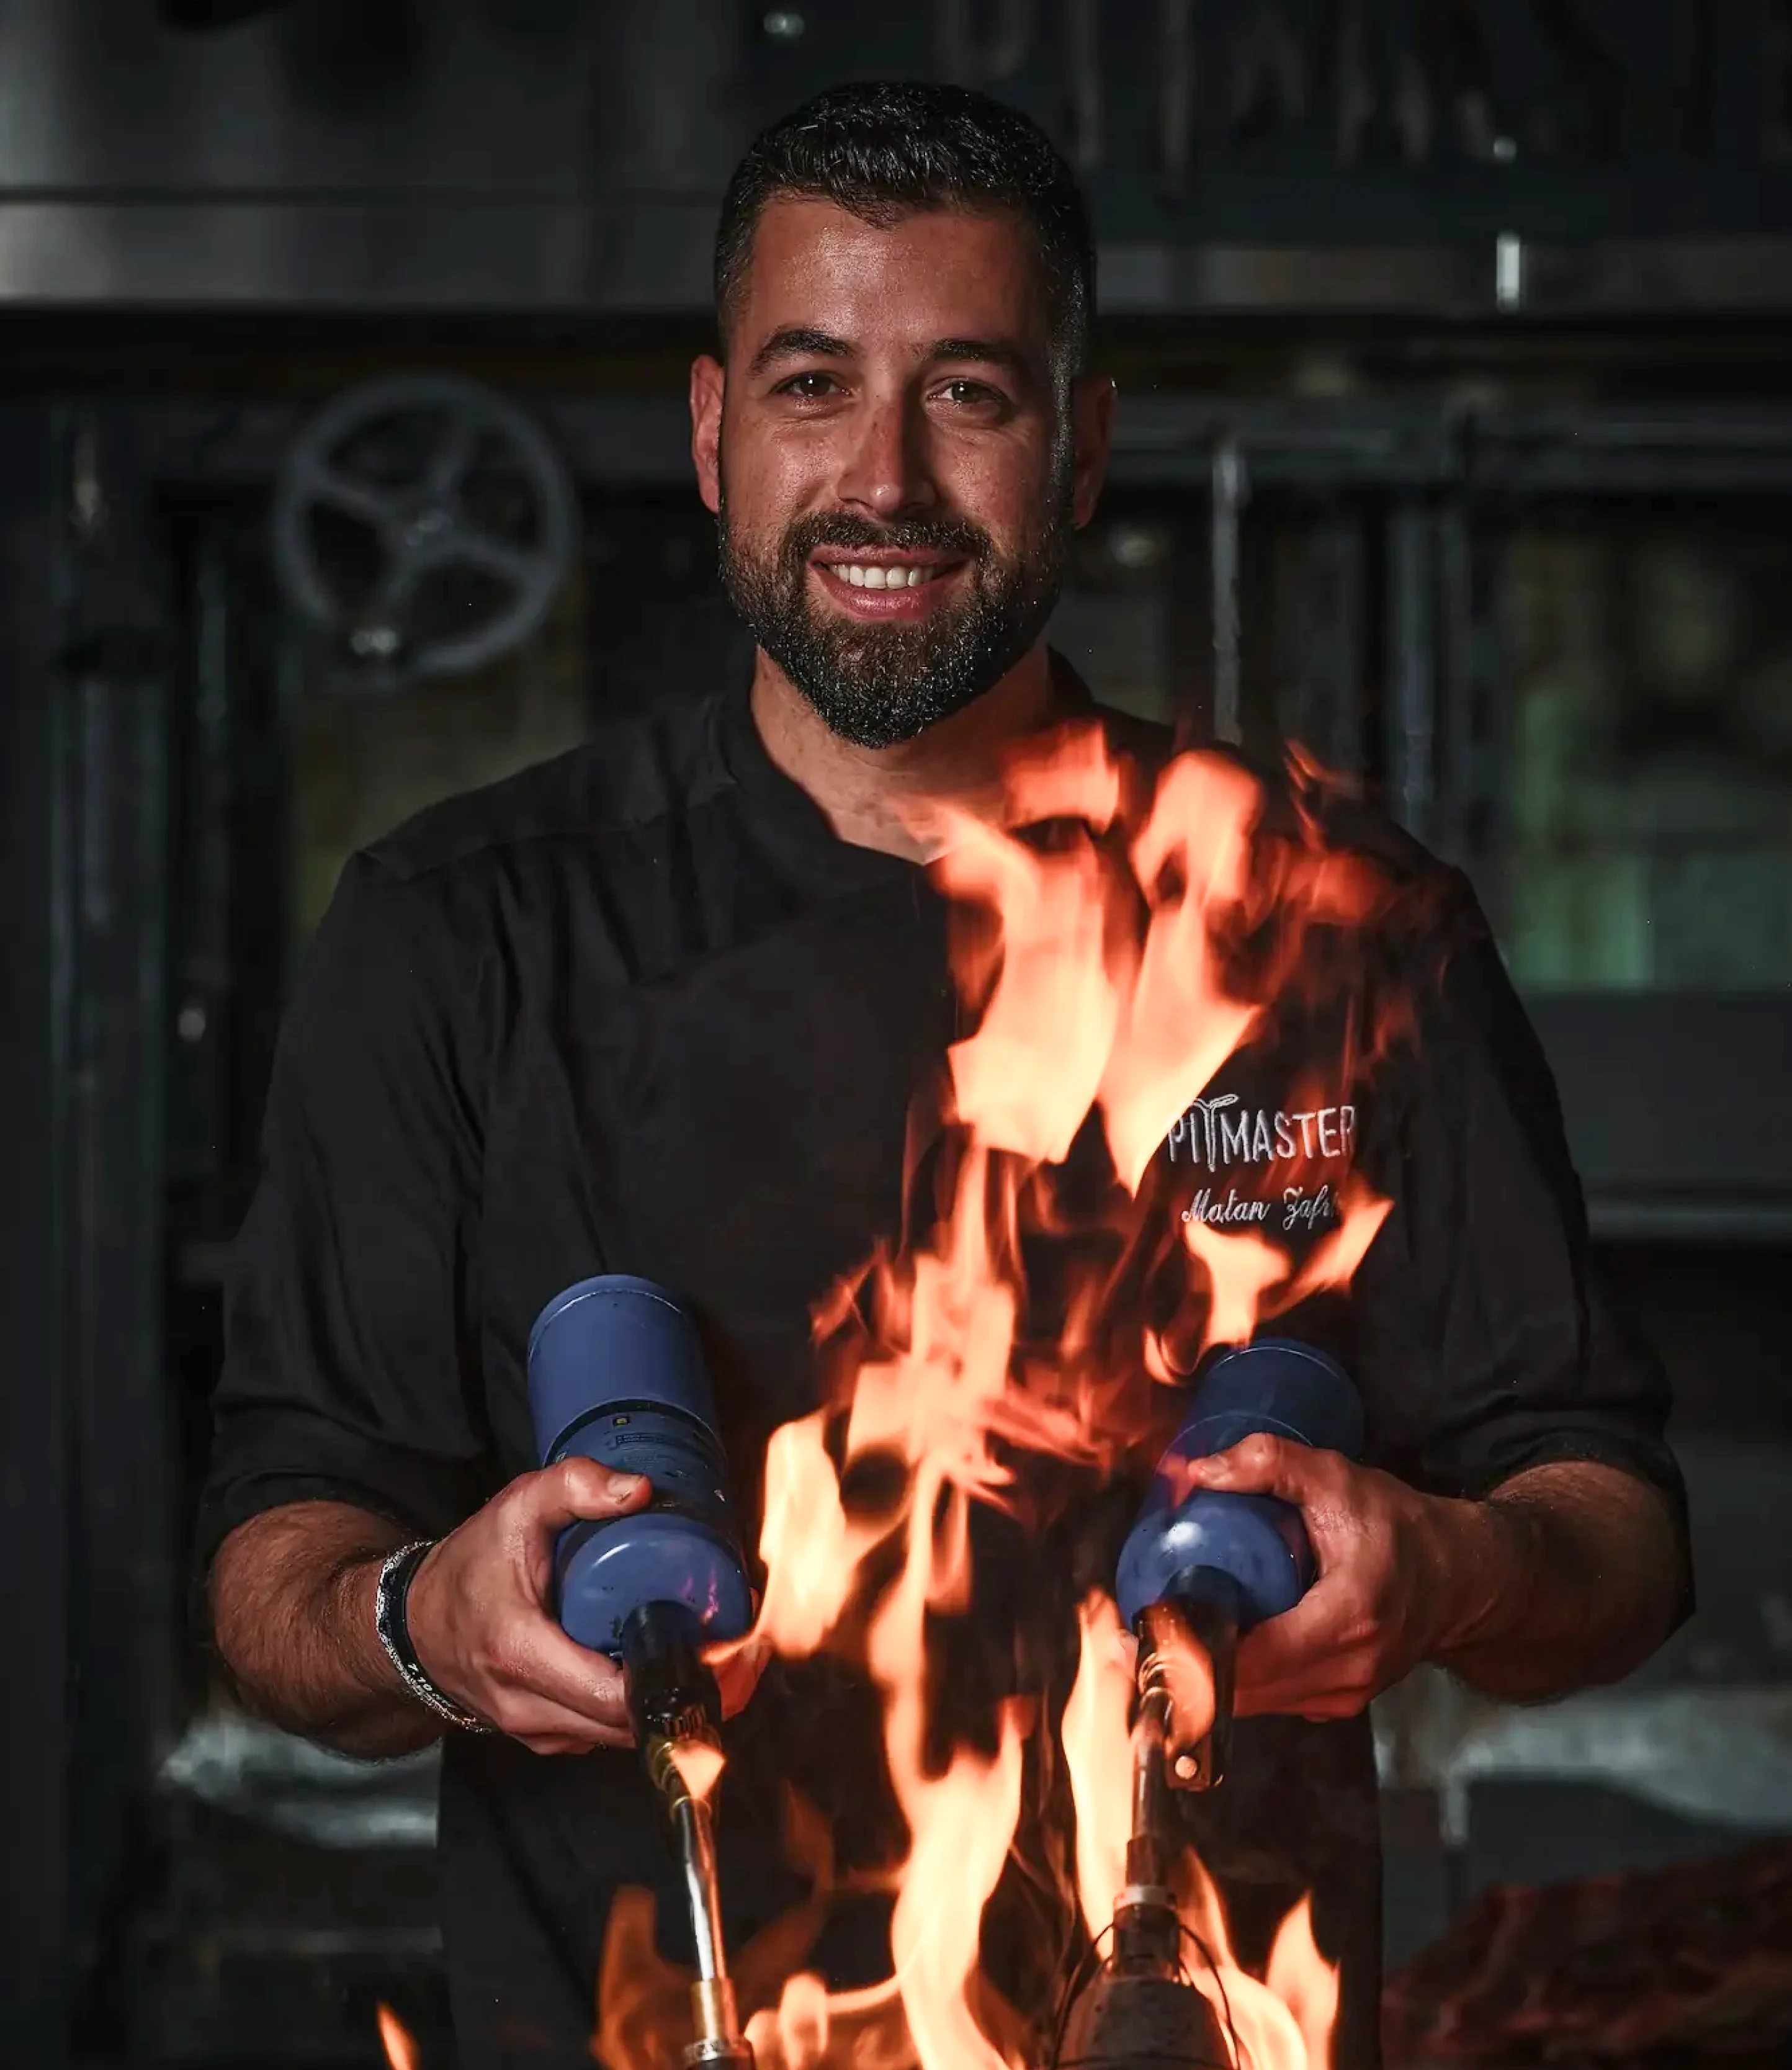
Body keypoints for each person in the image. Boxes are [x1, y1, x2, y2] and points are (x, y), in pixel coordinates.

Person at [201, 81, 1690, 2070]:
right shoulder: (459, 935)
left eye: (968, 393)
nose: (883, 478)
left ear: (1082, 448)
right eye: (816, 386)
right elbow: (274, 1574)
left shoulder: (1336, 925)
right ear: (718, 432)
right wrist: (427, 1623)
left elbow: (1618, 1533)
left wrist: (1459, 1567)